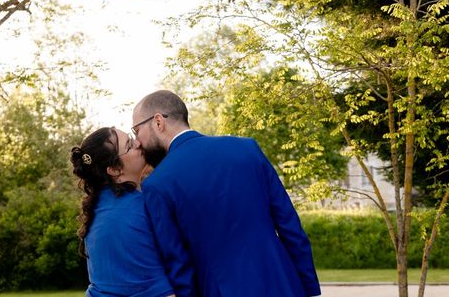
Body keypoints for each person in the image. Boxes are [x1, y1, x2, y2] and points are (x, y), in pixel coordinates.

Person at [132, 90, 322, 297]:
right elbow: (290, 225)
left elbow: (178, 263)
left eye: (136, 130)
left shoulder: (158, 184)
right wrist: (308, 287)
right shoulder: (247, 149)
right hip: (283, 283)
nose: (138, 141)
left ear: (158, 122)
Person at [70, 127, 175, 297]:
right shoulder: (138, 209)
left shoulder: (99, 210)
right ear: (114, 169)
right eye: (129, 145)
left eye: (132, 138)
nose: (138, 143)